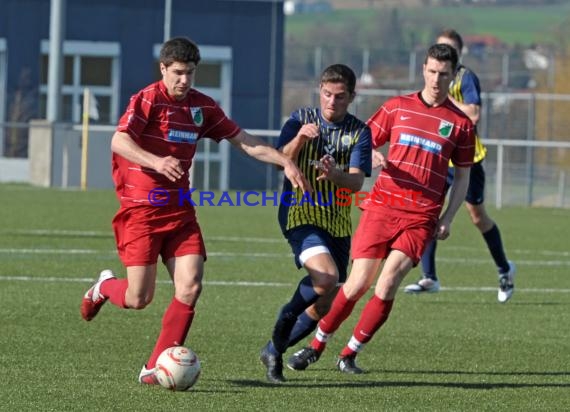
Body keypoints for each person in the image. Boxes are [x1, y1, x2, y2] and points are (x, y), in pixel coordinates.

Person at [79, 36, 310, 385]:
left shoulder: (202, 107)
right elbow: (119, 140)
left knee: (190, 286)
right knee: (138, 297)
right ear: (163, 69)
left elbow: (244, 141)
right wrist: (157, 161)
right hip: (142, 210)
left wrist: (284, 162)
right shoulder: (147, 100)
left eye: (189, 73)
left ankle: (155, 367)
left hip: (181, 211)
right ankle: (105, 286)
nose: (184, 80)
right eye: (177, 73)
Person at [288, 43, 475, 374]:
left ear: (452, 75)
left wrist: (447, 218)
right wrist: (371, 155)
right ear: (423, 70)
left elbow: (462, 178)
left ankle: (349, 353)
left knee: (387, 283)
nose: (436, 79)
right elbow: (364, 139)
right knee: (358, 283)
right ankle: (315, 346)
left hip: (421, 215)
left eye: (443, 74)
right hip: (383, 206)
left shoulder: (460, 124)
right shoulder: (397, 107)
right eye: (431, 71)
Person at [259, 64, 372, 383]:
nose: (331, 102)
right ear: (319, 91)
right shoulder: (300, 118)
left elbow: (356, 183)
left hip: (336, 221)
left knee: (325, 303)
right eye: (326, 94)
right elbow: (281, 159)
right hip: (300, 211)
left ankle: (273, 348)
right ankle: (283, 326)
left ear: (351, 96)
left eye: (339, 96)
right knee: (326, 276)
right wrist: (298, 139)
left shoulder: (359, 132)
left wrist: (335, 174)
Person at [404, 29, 516, 303]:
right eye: (439, 50)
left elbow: (474, 114)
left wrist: (446, 100)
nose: (442, 59)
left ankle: (504, 269)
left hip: (468, 159)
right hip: (440, 156)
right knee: (428, 209)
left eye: (449, 52)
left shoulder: (466, 78)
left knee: (477, 217)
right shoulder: (432, 81)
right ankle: (429, 277)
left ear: (457, 58)